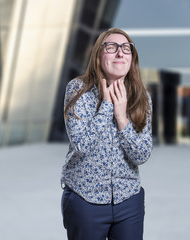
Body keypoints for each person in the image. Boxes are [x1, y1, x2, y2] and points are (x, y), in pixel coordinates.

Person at [60, 28, 153, 240]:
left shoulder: (142, 97)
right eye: (111, 47)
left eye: (126, 48)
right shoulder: (78, 90)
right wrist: (107, 105)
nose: (120, 53)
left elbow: (142, 155)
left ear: (132, 58)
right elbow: (82, 145)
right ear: (98, 55)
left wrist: (122, 118)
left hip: (129, 201)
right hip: (85, 200)